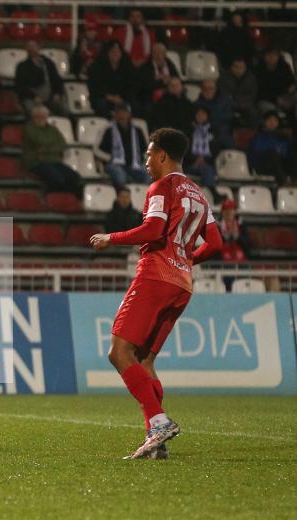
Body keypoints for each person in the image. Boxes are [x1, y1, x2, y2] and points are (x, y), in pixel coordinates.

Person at [89, 128, 223, 460]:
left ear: (162, 155)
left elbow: (153, 229)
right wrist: (186, 260)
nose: (146, 161)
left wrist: (111, 238)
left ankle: (159, 422)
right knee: (144, 360)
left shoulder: (162, 187)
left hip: (155, 276)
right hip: (182, 284)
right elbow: (216, 244)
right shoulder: (199, 195)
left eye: (149, 154)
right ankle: (156, 442)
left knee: (119, 352)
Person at [21, 105, 81, 194]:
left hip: (54, 161)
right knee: (57, 178)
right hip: (36, 162)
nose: (41, 119)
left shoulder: (53, 129)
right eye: (38, 116)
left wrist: (46, 149)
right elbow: (38, 141)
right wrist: (53, 147)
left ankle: (67, 197)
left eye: (43, 116)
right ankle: (51, 197)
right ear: (33, 117)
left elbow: (62, 145)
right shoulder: (29, 128)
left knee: (75, 177)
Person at [95, 103, 149, 189]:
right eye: (119, 112)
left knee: (147, 175)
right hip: (114, 164)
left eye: (124, 112)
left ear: (129, 114)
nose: (122, 115)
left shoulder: (137, 130)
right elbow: (97, 150)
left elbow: (146, 150)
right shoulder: (108, 129)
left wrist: (143, 159)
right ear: (115, 114)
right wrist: (109, 158)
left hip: (135, 164)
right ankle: (122, 196)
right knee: (120, 176)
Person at [15, 40, 65, 116]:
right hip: (31, 97)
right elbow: (20, 87)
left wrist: (57, 93)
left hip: (50, 96)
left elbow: (56, 79)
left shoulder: (48, 63)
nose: (31, 49)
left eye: (33, 46)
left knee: (63, 108)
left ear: (38, 47)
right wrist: (34, 97)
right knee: (36, 112)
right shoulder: (22, 66)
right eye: (29, 47)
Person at [87, 41, 136, 118]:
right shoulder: (98, 66)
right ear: (108, 53)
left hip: (121, 98)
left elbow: (130, 86)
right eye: (113, 51)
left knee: (133, 105)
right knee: (102, 105)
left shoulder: (127, 67)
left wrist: (122, 98)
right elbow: (95, 87)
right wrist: (110, 97)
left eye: (118, 51)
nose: (115, 54)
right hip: (104, 98)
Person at [247, 111, 294, 185]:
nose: (272, 123)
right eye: (270, 120)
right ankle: (284, 182)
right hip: (264, 166)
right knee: (272, 153)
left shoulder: (282, 138)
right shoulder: (258, 138)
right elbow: (254, 156)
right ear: (264, 122)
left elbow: (287, 155)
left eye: (275, 120)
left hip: (281, 166)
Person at [184, 107, 220, 192]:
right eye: (198, 114)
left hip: (207, 164)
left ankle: (208, 193)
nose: (200, 116)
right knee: (207, 170)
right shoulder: (188, 131)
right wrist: (195, 160)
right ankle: (213, 193)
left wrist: (204, 159)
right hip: (191, 164)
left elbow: (215, 150)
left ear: (207, 116)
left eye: (203, 114)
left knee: (207, 169)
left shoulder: (213, 131)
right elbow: (184, 150)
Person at [135, 43, 178, 115]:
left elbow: (177, 79)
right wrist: (161, 82)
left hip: (169, 95)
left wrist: (170, 81)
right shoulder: (145, 67)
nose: (159, 56)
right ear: (152, 54)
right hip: (150, 98)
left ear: (165, 54)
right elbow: (143, 86)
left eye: (161, 53)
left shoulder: (170, 65)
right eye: (156, 53)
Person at [255, 47, 297, 118]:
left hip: (285, 97)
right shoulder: (259, 70)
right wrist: (276, 99)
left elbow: (291, 82)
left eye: (274, 55)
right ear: (264, 56)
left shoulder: (284, 67)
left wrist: (291, 88)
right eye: (269, 55)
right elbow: (260, 91)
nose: (271, 58)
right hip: (267, 100)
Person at [218, 58, 259, 128]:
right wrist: (233, 102)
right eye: (236, 67)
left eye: (241, 67)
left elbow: (252, 96)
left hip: (245, 105)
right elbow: (223, 93)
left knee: (253, 112)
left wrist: (239, 102)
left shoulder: (251, 78)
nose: (238, 70)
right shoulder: (224, 78)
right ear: (231, 67)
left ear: (245, 68)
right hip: (228, 105)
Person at [194, 79, 234, 149]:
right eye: (205, 88)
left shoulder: (225, 100)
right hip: (204, 131)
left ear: (215, 89)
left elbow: (228, 117)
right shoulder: (197, 103)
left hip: (223, 131)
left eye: (211, 88)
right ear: (201, 90)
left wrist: (209, 119)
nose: (208, 91)